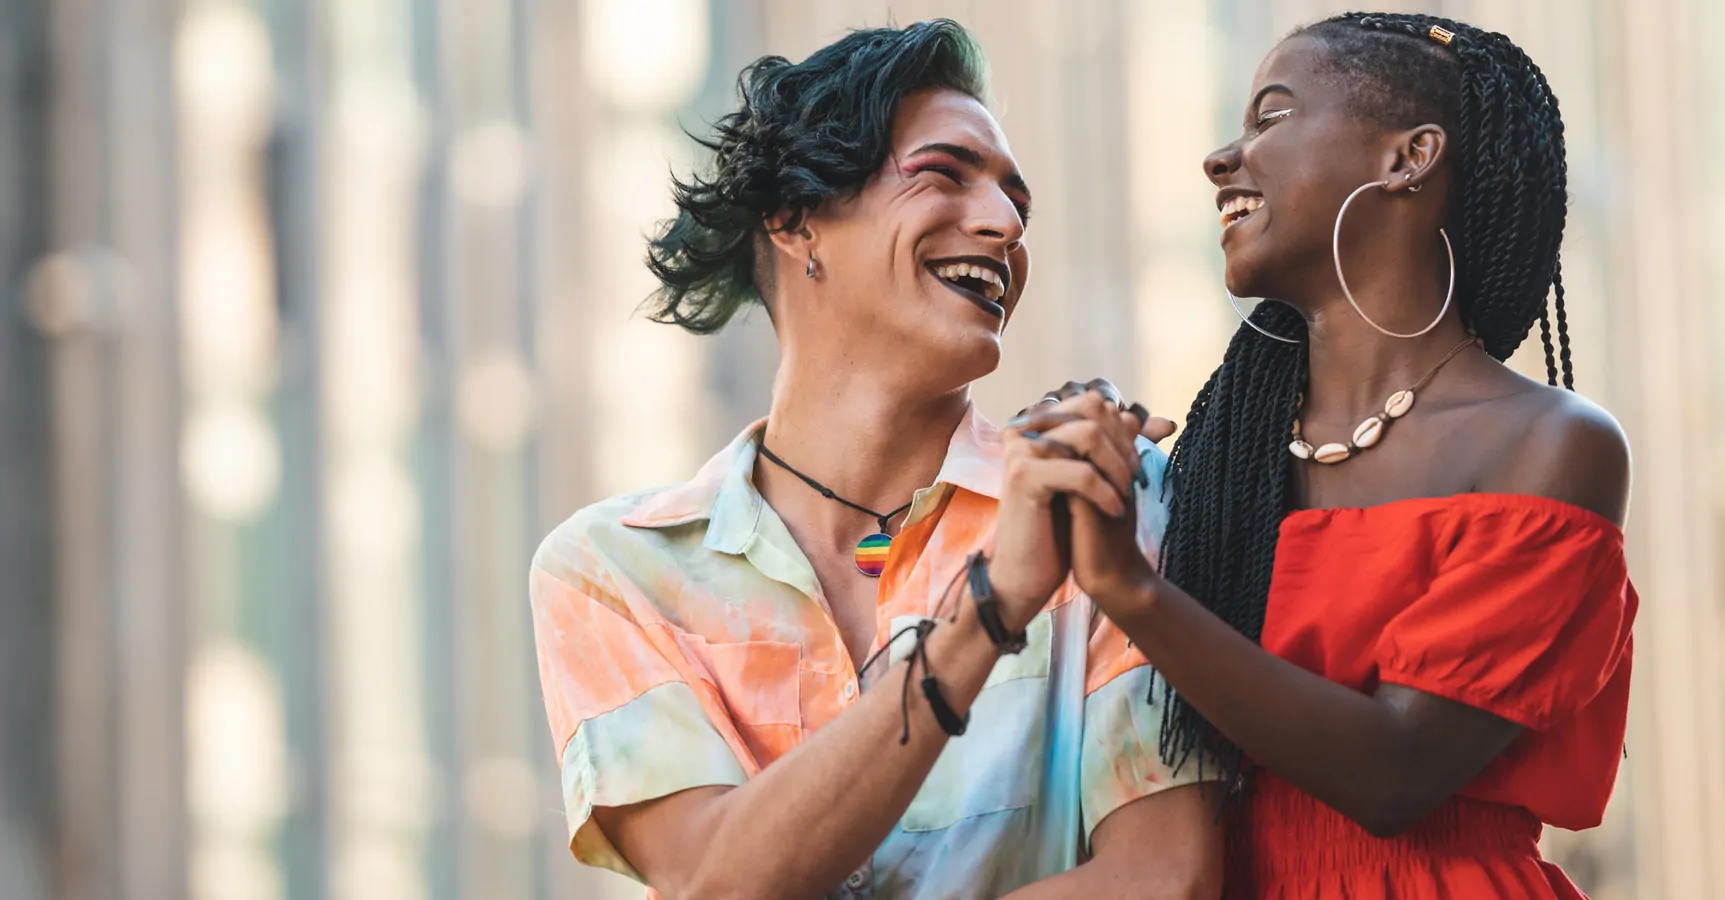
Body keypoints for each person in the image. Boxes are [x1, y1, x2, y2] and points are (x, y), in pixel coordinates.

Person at [528, 19, 1221, 900]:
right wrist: (991, 607)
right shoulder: (612, 569)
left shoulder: (1100, 498)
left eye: (1018, 201)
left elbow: (1167, 878)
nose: (1005, 224)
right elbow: (714, 877)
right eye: (943, 174)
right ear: (794, 220)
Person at [1013, 12, 1636, 899]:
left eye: (1270, 117)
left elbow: (1396, 774)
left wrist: (1133, 590)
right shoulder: (1219, 465)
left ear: (1406, 158)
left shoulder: (1552, 445)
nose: (1221, 159)